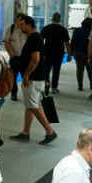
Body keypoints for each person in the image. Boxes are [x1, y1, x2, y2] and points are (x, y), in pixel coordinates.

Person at [10, 15, 58, 145]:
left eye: (22, 25)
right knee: (30, 104)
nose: (20, 28)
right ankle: (26, 132)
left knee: (32, 105)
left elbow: (35, 59)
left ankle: (50, 131)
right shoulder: (34, 38)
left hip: (33, 78)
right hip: (35, 77)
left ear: (29, 24)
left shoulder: (34, 39)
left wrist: (26, 75)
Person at [40, 12, 72, 94]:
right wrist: (69, 54)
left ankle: (47, 83)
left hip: (48, 52)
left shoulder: (47, 28)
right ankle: (54, 87)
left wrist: (41, 51)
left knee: (46, 69)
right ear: (59, 19)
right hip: (59, 52)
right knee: (56, 70)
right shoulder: (63, 29)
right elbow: (67, 43)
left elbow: (40, 40)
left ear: (52, 19)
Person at [2, 12, 27, 101]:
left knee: (26, 76)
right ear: (17, 20)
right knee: (13, 77)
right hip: (15, 58)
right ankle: (14, 94)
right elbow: (6, 42)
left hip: (24, 58)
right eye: (20, 20)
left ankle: (27, 94)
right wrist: (10, 52)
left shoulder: (26, 30)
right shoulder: (11, 29)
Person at [71, 18, 92, 91]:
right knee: (90, 69)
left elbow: (73, 41)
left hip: (77, 52)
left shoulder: (76, 30)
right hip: (88, 53)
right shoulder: (91, 31)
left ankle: (80, 85)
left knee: (79, 69)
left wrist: (71, 51)